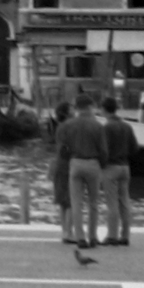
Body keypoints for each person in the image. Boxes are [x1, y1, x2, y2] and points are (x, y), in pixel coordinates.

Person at [55, 95, 108, 249]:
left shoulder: (69, 125)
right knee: (93, 203)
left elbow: (63, 148)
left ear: (77, 108)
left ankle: (80, 238)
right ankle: (93, 236)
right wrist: (102, 165)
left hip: (76, 163)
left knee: (76, 203)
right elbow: (104, 151)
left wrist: (70, 158)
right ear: (90, 107)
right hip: (93, 163)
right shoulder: (98, 126)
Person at [98, 95, 138, 246]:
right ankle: (125, 235)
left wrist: (101, 164)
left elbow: (103, 150)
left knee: (112, 203)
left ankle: (112, 235)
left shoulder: (106, 127)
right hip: (125, 167)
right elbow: (135, 148)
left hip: (111, 167)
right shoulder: (127, 126)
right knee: (125, 202)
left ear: (103, 109)